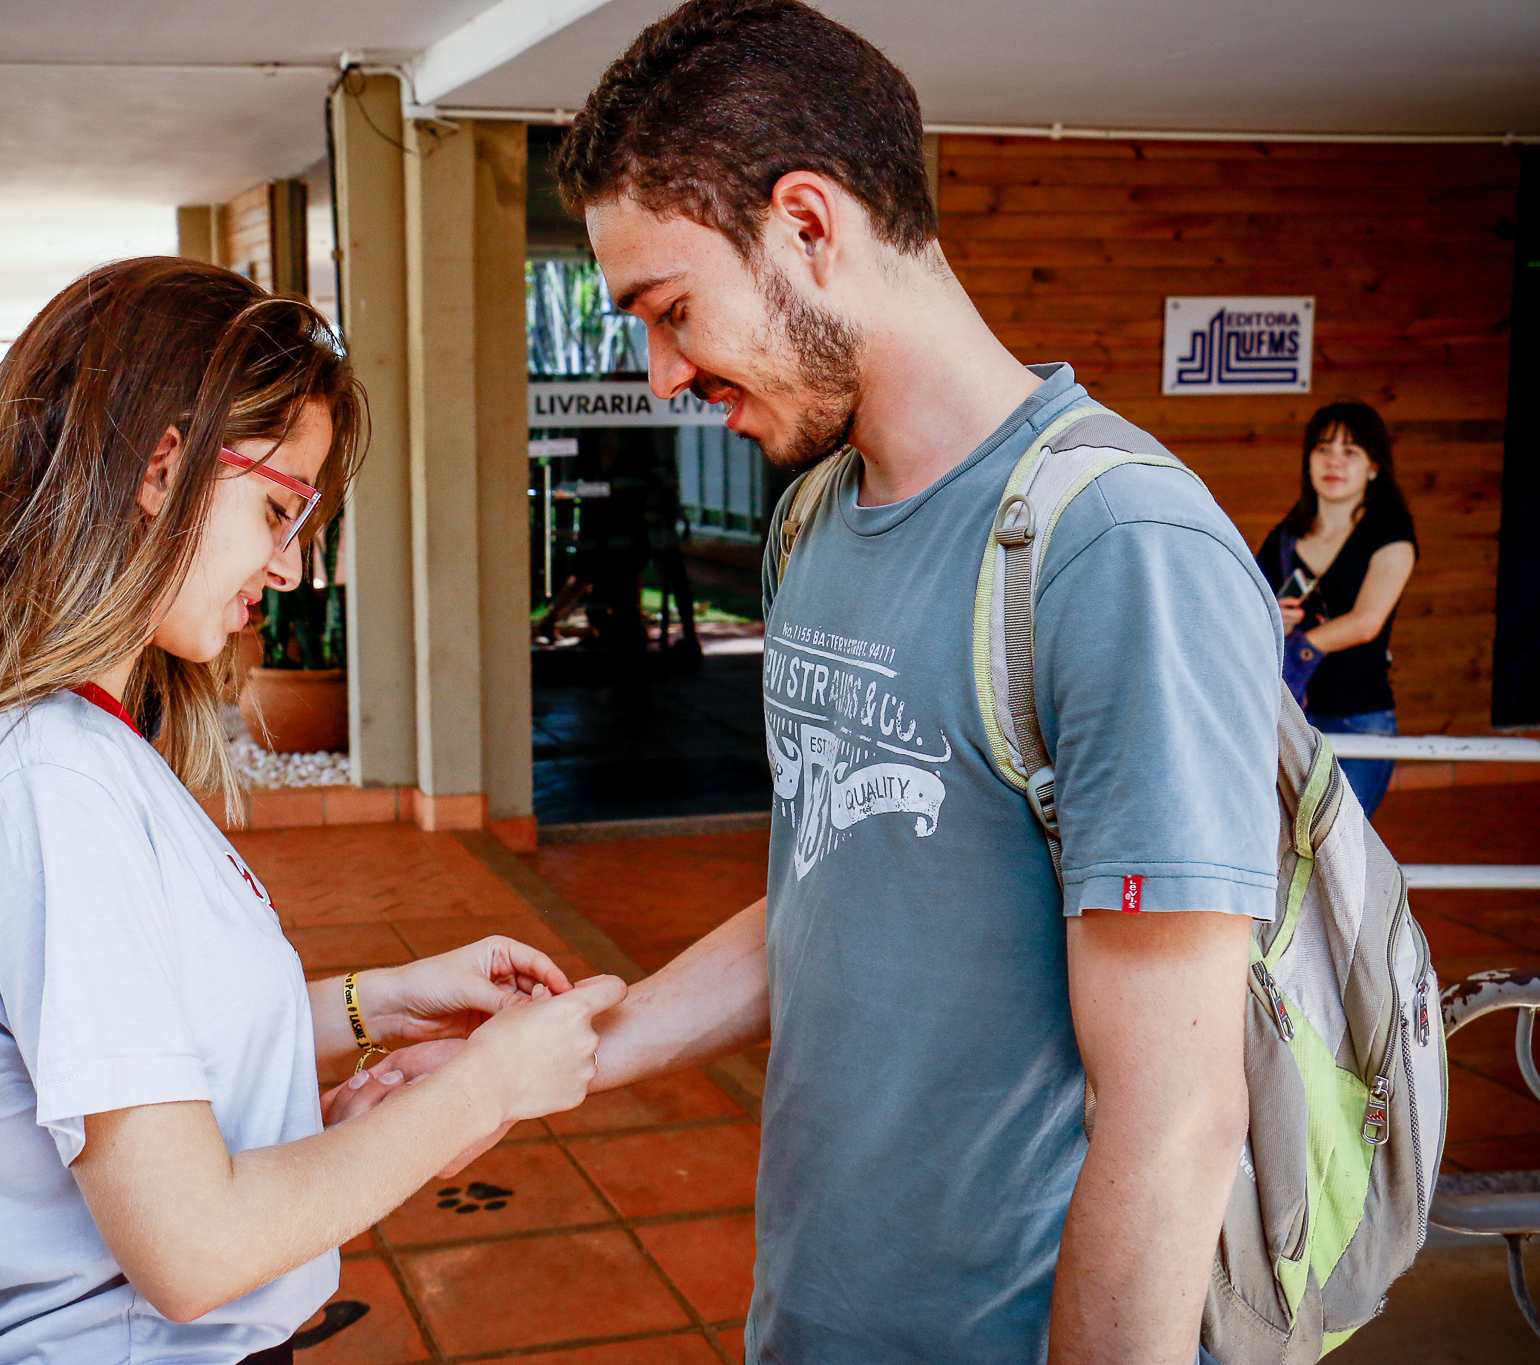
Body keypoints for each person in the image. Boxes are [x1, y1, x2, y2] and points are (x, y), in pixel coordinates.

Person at [340, 5, 1279, 1363]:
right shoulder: (813, 519)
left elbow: (1174, 1120)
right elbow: (829, 893)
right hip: (810, 1314)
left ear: (806, 224)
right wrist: (523, 1068)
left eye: (671, 311)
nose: (663, 374)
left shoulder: (1117, 551)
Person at [0, 256, 624, 1365]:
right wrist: (488, 1087)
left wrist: (383, 1002)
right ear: (162, 467)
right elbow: (193, 1250)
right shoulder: (51, 787)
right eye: (278, 508)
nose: (288, 568)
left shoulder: (57, 748)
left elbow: (146, 1036)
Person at [1257, 401, 1417, 817]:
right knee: (1283, 843)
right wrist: (1272, 617)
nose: (1334, 462)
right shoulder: (1284, 538)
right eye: (1324, 448)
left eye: (1350, 451)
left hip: (1359, 718)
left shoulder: (1391, 535)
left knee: (1338, 845)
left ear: (1373, 466)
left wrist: (1300, 646)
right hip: (1289, 722)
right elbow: (1249, 614)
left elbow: (1366, 622)